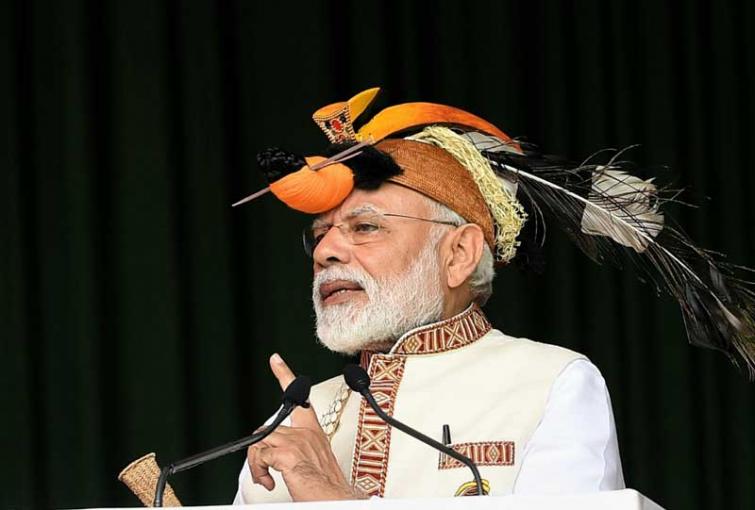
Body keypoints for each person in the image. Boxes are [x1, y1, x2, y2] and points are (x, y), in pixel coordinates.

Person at [231, 88, 755, 503]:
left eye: (365, 227)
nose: (326, 251)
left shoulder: (550, 384)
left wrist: (333, 498)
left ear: (459, 254)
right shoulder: (297, 416)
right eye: (319, 235)